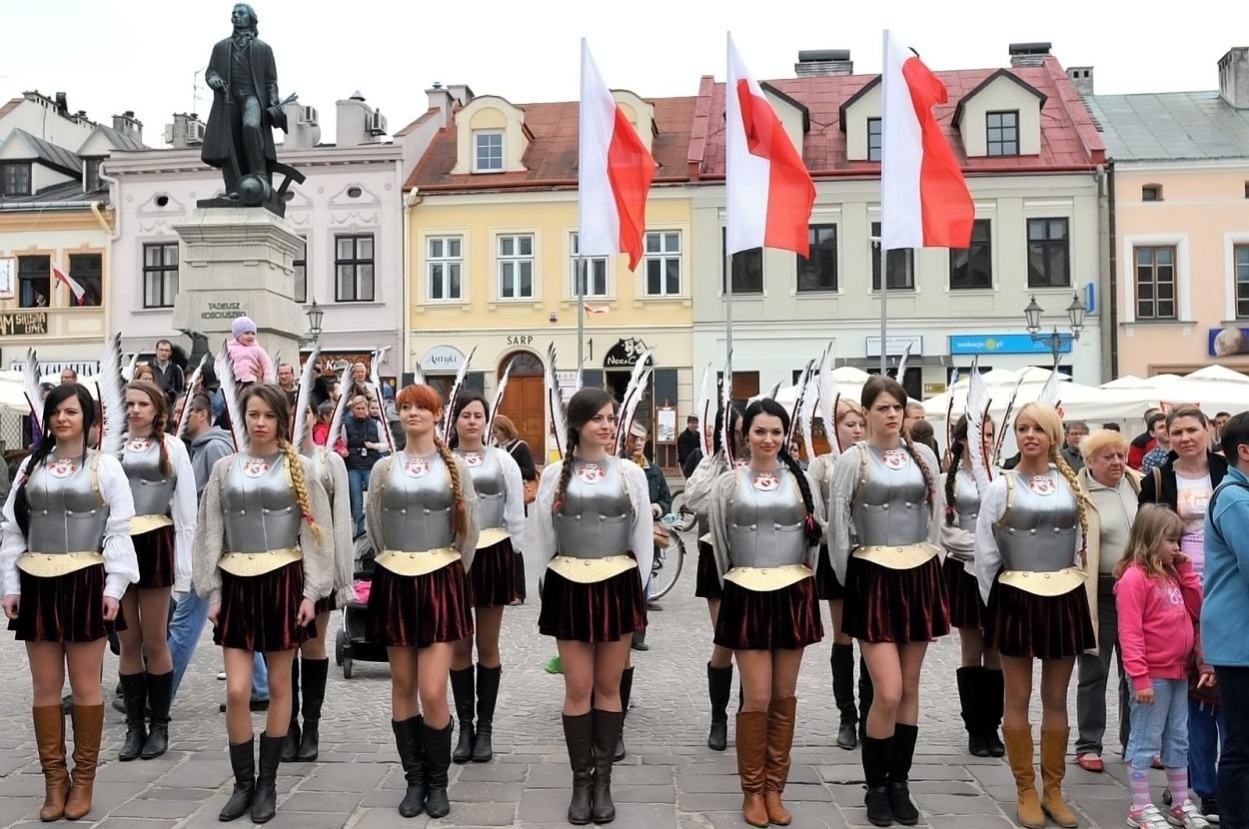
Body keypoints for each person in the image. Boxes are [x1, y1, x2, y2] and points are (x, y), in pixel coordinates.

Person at [194, 384, 334, 823]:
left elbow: (317, 533)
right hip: (236, 584)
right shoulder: (224, 468)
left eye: (267, 416)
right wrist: (212, 591)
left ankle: (268, 785)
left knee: (278, 688)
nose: (259, 423)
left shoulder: (302, 469)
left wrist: (312, 592)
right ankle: (242, 784)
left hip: (283, 583)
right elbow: (209, 530)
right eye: (252, 414)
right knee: (237, 690)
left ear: (281, 420)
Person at [1, 383, 139, 821]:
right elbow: (12, 529)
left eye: (71, 412)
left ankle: (83, 781)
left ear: (88, 419)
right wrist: (11, 585)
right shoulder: (29, 468)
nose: (63, 419)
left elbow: (119, 529)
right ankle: (54, 781)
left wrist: (114, 588)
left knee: (84, 685)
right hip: (37, 581)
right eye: (56, 411)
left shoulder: (107, 467)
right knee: (44, 687)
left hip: (85, 582)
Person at [829, 376, 947, 827]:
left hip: (917, 574)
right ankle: (875, 785)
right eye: (881, 408)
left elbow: (934, 518)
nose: (891, 414)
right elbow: (838, 524)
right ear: (867, 414)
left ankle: (900, 782)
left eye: (896, 407)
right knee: (889, 690)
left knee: (911, 689)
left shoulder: (925, 458)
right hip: (872, 577)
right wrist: (850, 578)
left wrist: (930, 560)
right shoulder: (852, 460)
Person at [532, 388, 653, 825]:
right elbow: (541, 541)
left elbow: (641, 537)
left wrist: (635, 592)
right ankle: (580, 782)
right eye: (598, 418)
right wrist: (549, 590)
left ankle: (603, 782)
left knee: (608, 687)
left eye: (610, 417)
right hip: (569, 586)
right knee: (577, 688)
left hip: (617, 585)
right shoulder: (553, 476)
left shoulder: (629, 473)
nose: (606, 425)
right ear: (578, 424)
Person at [976, 402, 1095, 829]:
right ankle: (1025, 789)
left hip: (1063, 594)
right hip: (1016, 597)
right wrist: (996, 608)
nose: (1030, 435)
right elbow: (986, 555)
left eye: (1038, 429)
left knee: (1056, 698)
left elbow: (1081, 542)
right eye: (1023, 428)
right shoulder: (999, 486)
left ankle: (1055, 789)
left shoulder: (1071, 485)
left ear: (1053, 436)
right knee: (1017, 696)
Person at [366, 384, 478, 820]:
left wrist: (447, 573)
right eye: (405, 407)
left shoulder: (454, 469)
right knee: (402, 686)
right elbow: (375, 526)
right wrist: (394, 561)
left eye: (421, 407)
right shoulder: (382, 468)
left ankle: (438, 781)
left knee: (434, 690)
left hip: (440, 580)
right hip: (396, 577)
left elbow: (468, 533)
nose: (412, 413)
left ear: (437, 414)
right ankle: (414, 779)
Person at [709, 398, 823, 828]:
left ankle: (776, 787)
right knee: (756, 696)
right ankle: (752, 790)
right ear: (746, 435)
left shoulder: (801, 480)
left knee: (783, 696)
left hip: (792, 592)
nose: (769, 439)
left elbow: (816, 537)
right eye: (760, 431)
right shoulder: (727, 483)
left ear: (785, 435)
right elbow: (719, 543)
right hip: (746, 592)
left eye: (776, 432)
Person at [1142, 406, 1229, 821]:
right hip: (1176, 588)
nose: (1185, 437)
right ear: (1167, 436)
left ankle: (1227, 780)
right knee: (1193, 695)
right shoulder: (1157, 479)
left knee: (1227, 689)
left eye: (1192, 429)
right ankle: (1199, 784)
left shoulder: (1228, 471)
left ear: (1208, 430)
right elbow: (1146, 535)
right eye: (1176, 431)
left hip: (1227, 585)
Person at [168, 394, 270, 711]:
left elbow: (228, 497)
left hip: (214, 546)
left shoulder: (214, 448)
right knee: (231, 620)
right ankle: (260, 687)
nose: (176, 416)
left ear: (201, 414)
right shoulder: (198, 449)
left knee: (185, 621)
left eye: (182, 410)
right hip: (209, 543)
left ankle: (156, 695)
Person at [115, 380, 197, 762]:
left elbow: (185, 512)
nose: (134, 410)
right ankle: (134, 727)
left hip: (156, 542)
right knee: (128, 642)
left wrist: (183, 569)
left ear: (157, 409)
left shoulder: (173, 447)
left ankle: (159, 724)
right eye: (129, 403)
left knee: (155, 639)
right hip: (119, 545)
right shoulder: (110, 448)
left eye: (142, 403)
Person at [1114, 505, 1210, 829]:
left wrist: (1186, 574)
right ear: (1151, 539)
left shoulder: (1171, 574)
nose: (1177, 548)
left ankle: (1180, 802)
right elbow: (1129, 633)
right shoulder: (1133, 579)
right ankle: (1139, 806)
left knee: (1178, 739)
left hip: (1178, 671)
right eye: (1171, 540)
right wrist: (1139, 678)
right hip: (1151, 676)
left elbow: (1196, 608)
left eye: (1178, 541)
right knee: (1144, 739)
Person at [447, 393, 525, 764]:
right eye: (466, 415)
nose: (472, 422)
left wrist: (516, 555)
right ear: (455, 420)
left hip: (493, 552)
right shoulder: (443, 460)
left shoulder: (503, 460)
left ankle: (486, 728)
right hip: (454, 556)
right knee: (460, 646)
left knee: (488, 646)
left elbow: (514, 512)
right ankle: (465, 726)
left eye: (478, 415)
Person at [284, 401, 355, 765]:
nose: (298, 420)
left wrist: (341, 577)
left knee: (312, 647)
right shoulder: (272, 460)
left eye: (304, 413)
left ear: (313, 418)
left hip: (318, 566)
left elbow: (341, 520)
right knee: (283, 652)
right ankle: (287, 727)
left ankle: (310, 725)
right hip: (280, 568)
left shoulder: (330, 463)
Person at [936, 415, 1005, 758]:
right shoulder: (949, 481)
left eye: (991, 435)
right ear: (962, 439)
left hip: (999, 572)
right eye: (980, 435)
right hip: (965, 570)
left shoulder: (1002, 475)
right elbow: (947, 532)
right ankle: (974, 728)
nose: (987, 441)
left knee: (996, 650)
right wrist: (985, 549)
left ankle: (993, 725)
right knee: (972, 649)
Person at [1074, 429, 1140, 773]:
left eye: (1120, 454)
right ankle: (1088, 743)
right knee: (1094, 670)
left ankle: (1137, 743)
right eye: (1107, 456)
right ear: (1089, 461)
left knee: (1136, 671)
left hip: (1137, 591)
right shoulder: (1078, 492)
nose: (1117, 462)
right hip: (1097, 592)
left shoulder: (1139, 483)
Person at [807, 400, 872, 751]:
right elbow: (816, 512)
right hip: (837, 553)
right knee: (844, 636)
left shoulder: (871, 460)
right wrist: (838, 531)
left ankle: (870, 710)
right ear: (834, 428)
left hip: (870, 555)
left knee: (872, 639)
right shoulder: (822, 465)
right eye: (849, 424)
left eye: (860, 424)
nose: (857, 430)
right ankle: (848, 716)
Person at [684, 405, 744, 752]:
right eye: (732, 430)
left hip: (753, 557)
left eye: (741, 430)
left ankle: (744, 713)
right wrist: (722, 469)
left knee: (751, 643)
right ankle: (718, 716)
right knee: (727, 640)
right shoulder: (712, 461)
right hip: (715, 553)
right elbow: (695, 500)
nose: (738, 436)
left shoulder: (762, 461)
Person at [1202, 411, 1249, 828]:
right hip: (1240, 641)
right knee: (1241, 744)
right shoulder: (1236, 499)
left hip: (1240, 638)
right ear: (1245, 451)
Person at [493, 414, 535, 602]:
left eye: (497, 432)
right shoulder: (493, 449)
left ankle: (519, 592)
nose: (495, 435)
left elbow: (530, 471)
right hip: (498, 503)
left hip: (516, 500)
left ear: (505, 430)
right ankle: (503, 589)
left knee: (514, 549)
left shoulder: (520, 447)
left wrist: (511, 469)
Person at [344, 395, 384, 537]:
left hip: (370, 465)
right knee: (356, 500)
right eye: (358, 408)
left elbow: (385, 445)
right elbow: (343, 443)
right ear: (353, 409)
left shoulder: (376, 424)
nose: (361, 411)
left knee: (374, 499)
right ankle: (358, 528)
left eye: (363, 408)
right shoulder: (346, 424)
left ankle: (376, 528)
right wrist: (343, 451)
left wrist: (373, 445)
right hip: (354, 466)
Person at [225, 317, 275, 385]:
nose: (250, 336)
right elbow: (220, 362)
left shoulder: (258, 349)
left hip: (252, 380)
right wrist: (221, 375)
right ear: (237, 335)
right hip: (233, 382)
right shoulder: (229, 348)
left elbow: (267, 364)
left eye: (253, 333)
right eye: (246, 333)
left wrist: (268, 380)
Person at [151, 340, 185, 405]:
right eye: (161, 350)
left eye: (166, 350)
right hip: (153, 404)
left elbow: (180, 390)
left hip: (171, 407)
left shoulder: (176, 369)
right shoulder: (148, 368)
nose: (164, 353)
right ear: (156, 351)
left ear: (170, 352)